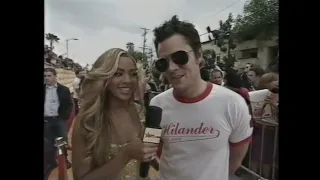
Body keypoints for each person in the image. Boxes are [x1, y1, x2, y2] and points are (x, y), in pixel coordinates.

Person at [151, 15, 253, 180]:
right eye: (163, 62)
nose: (172, 68)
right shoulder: (155, 104)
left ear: (198, 55)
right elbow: (150, 147)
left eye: (180, 57)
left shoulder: (233, 103)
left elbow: (237, 154)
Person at [71, 48, 158, 180]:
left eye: (133, 74)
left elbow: (148, 153)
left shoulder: (141, 111)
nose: (128, 80)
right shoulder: (86, 121)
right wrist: (126, 154)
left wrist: (163, 167)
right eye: (118, 74)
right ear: (104, 77)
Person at [44, 68, 73, 169]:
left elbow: (69, 104)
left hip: (59, 120)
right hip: (46, 121)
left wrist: (65, 116)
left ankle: (65, 161)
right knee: (49, 144)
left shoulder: (64, 89)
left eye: (49, 76)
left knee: (62, 142)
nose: (46, 78)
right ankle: (52, 163)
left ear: (55, 76)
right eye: (45, 76)